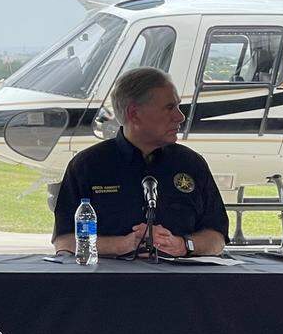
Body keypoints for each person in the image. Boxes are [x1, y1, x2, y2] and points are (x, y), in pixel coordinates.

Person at [52, 66, 228, 258]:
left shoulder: (192, 164)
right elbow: (66, 240)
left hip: (181, 284)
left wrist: (184, 245)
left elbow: (216, 237)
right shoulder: (87, 166)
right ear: (134, 114)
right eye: (170, 107)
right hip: (107, 283)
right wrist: (124, 245)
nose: (180, 116)